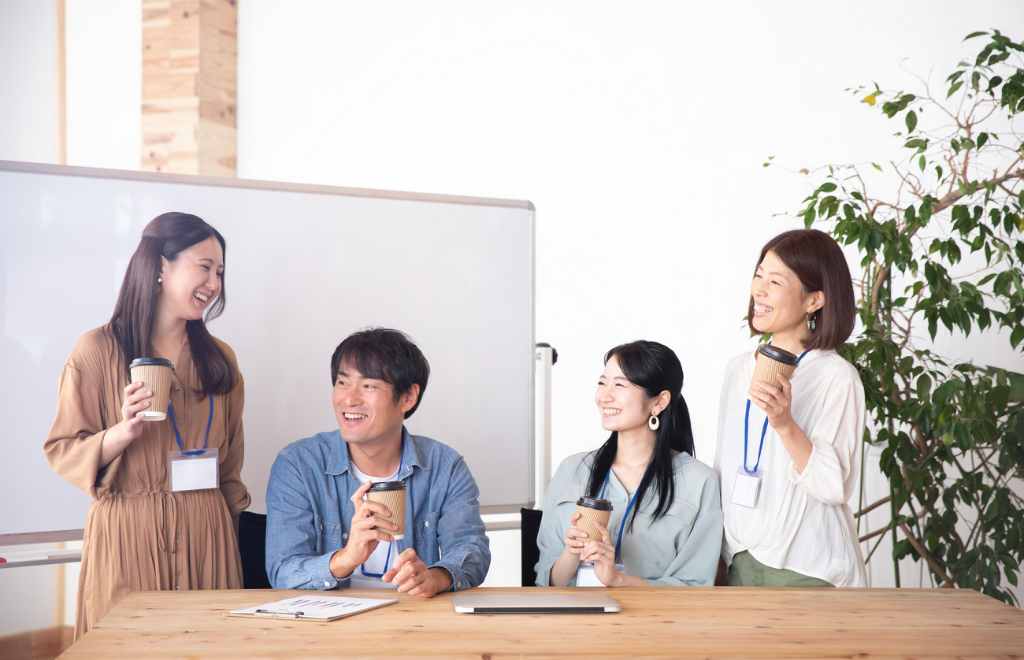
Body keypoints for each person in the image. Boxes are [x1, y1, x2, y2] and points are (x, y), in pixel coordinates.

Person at [44, 212, 249, 639]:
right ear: (160, 265)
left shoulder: (220, 358)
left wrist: (224, 533)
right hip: (126, 534)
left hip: (206, 533)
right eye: (204, 267)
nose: (214, 283)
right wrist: (122, 431)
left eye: (220, 272)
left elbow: (229, 463)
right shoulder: (98, 350)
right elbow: (63, 449)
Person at [265, 327, 490, 596]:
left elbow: (471, 552)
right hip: (329, 630)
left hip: (416, 624)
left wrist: (434, 578)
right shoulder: (298, 465)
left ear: (408, 397)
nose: (349, 399)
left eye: (369, 385)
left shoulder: (445, 466)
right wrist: (346, 558)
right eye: (343, 382)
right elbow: (282, 570)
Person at [714, 228, 867, 588]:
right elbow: (724, 466)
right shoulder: (738, 369)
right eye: (758, 276)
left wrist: (785, 423)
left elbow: (834, 485)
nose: (759, 291)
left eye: (775, 282)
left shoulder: (836, 377)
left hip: (806, 564)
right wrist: (716, 555)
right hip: (738, 559)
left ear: (814, 301)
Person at [535, 340, 723, 587]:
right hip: (575, 621)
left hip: (656, 623)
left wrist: (618, 580)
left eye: (619, 385)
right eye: (602, 383)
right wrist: (572, 552)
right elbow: (546, 583)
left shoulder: (699, 482)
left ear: (659, 401)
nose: (605, 396)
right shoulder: (571, 470)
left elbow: (694, 587)